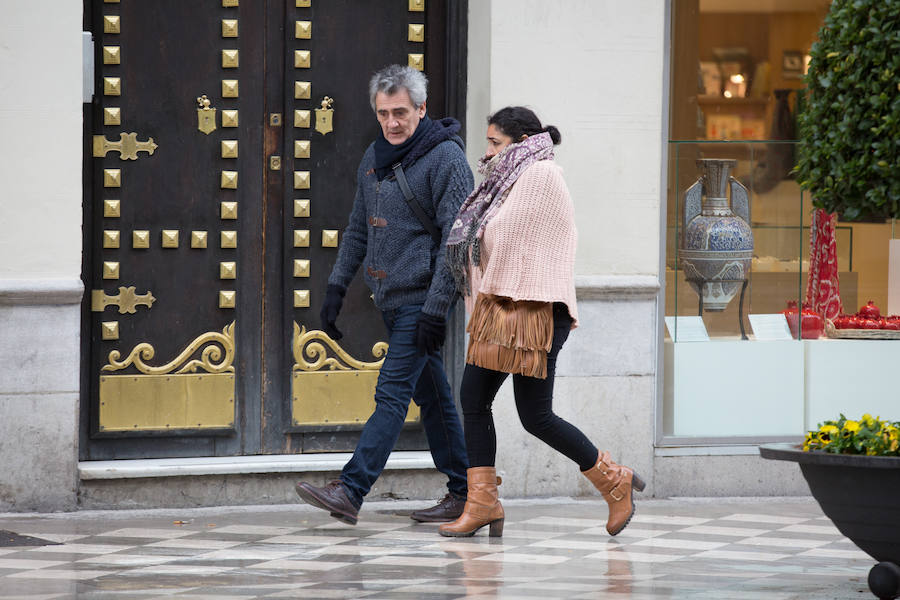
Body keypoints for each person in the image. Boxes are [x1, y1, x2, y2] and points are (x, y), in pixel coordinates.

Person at [439, 106, 645, 538]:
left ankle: (613, 480)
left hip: (534, 312)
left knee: (536, 415)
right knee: (474, 398)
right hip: (505, 308)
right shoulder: (511, 178)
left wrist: (476, 233)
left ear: (520, 141)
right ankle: (482, 503)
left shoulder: (540, 176)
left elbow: (502, 236)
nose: (488, 153)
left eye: (495, 143)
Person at [294, 65, 474, 526]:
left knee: (391, 394)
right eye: (383, 114)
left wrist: (436, 309)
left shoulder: (447, 160)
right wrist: (337, 286)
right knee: (433, 398)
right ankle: (467, 493)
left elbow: (458, 243)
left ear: (421, 109)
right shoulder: (374, 157)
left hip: (421, 303)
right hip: (389, 300)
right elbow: (358, 227)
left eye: (400, 113)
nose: (392, 123)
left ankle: (351, 490)